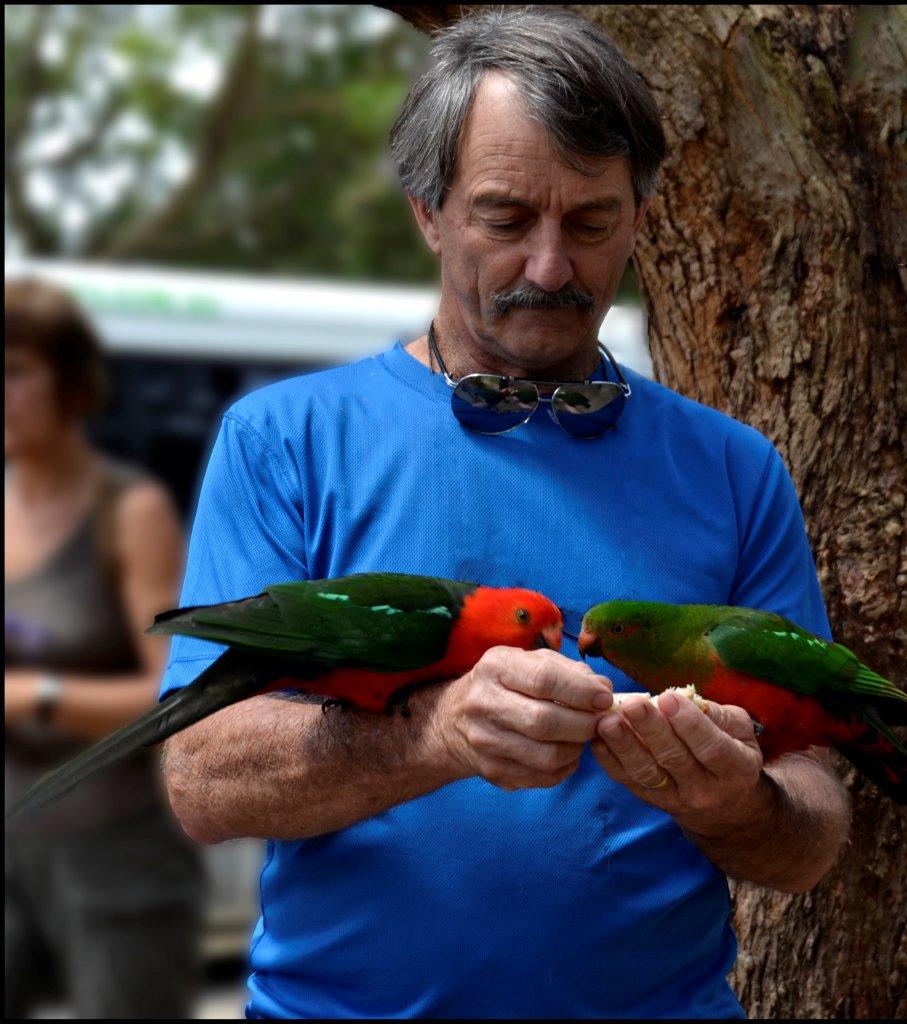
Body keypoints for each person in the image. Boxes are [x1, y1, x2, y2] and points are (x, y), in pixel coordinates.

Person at [160, 9, 850, 1019]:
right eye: (503, 216)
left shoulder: (733, 469)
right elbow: (199, 777)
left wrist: (738, 802)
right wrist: (430, 735)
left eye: (589, 222)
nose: (549, 267)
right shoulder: (284, 441)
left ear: (639, 217)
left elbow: (812, 826)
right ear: (426, 213)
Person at [4, 278, 205, 1018]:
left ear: (72, 384)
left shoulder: (129, 511)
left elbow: (177, 696)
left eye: (16, 371)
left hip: (114, 860)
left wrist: (37, 696)